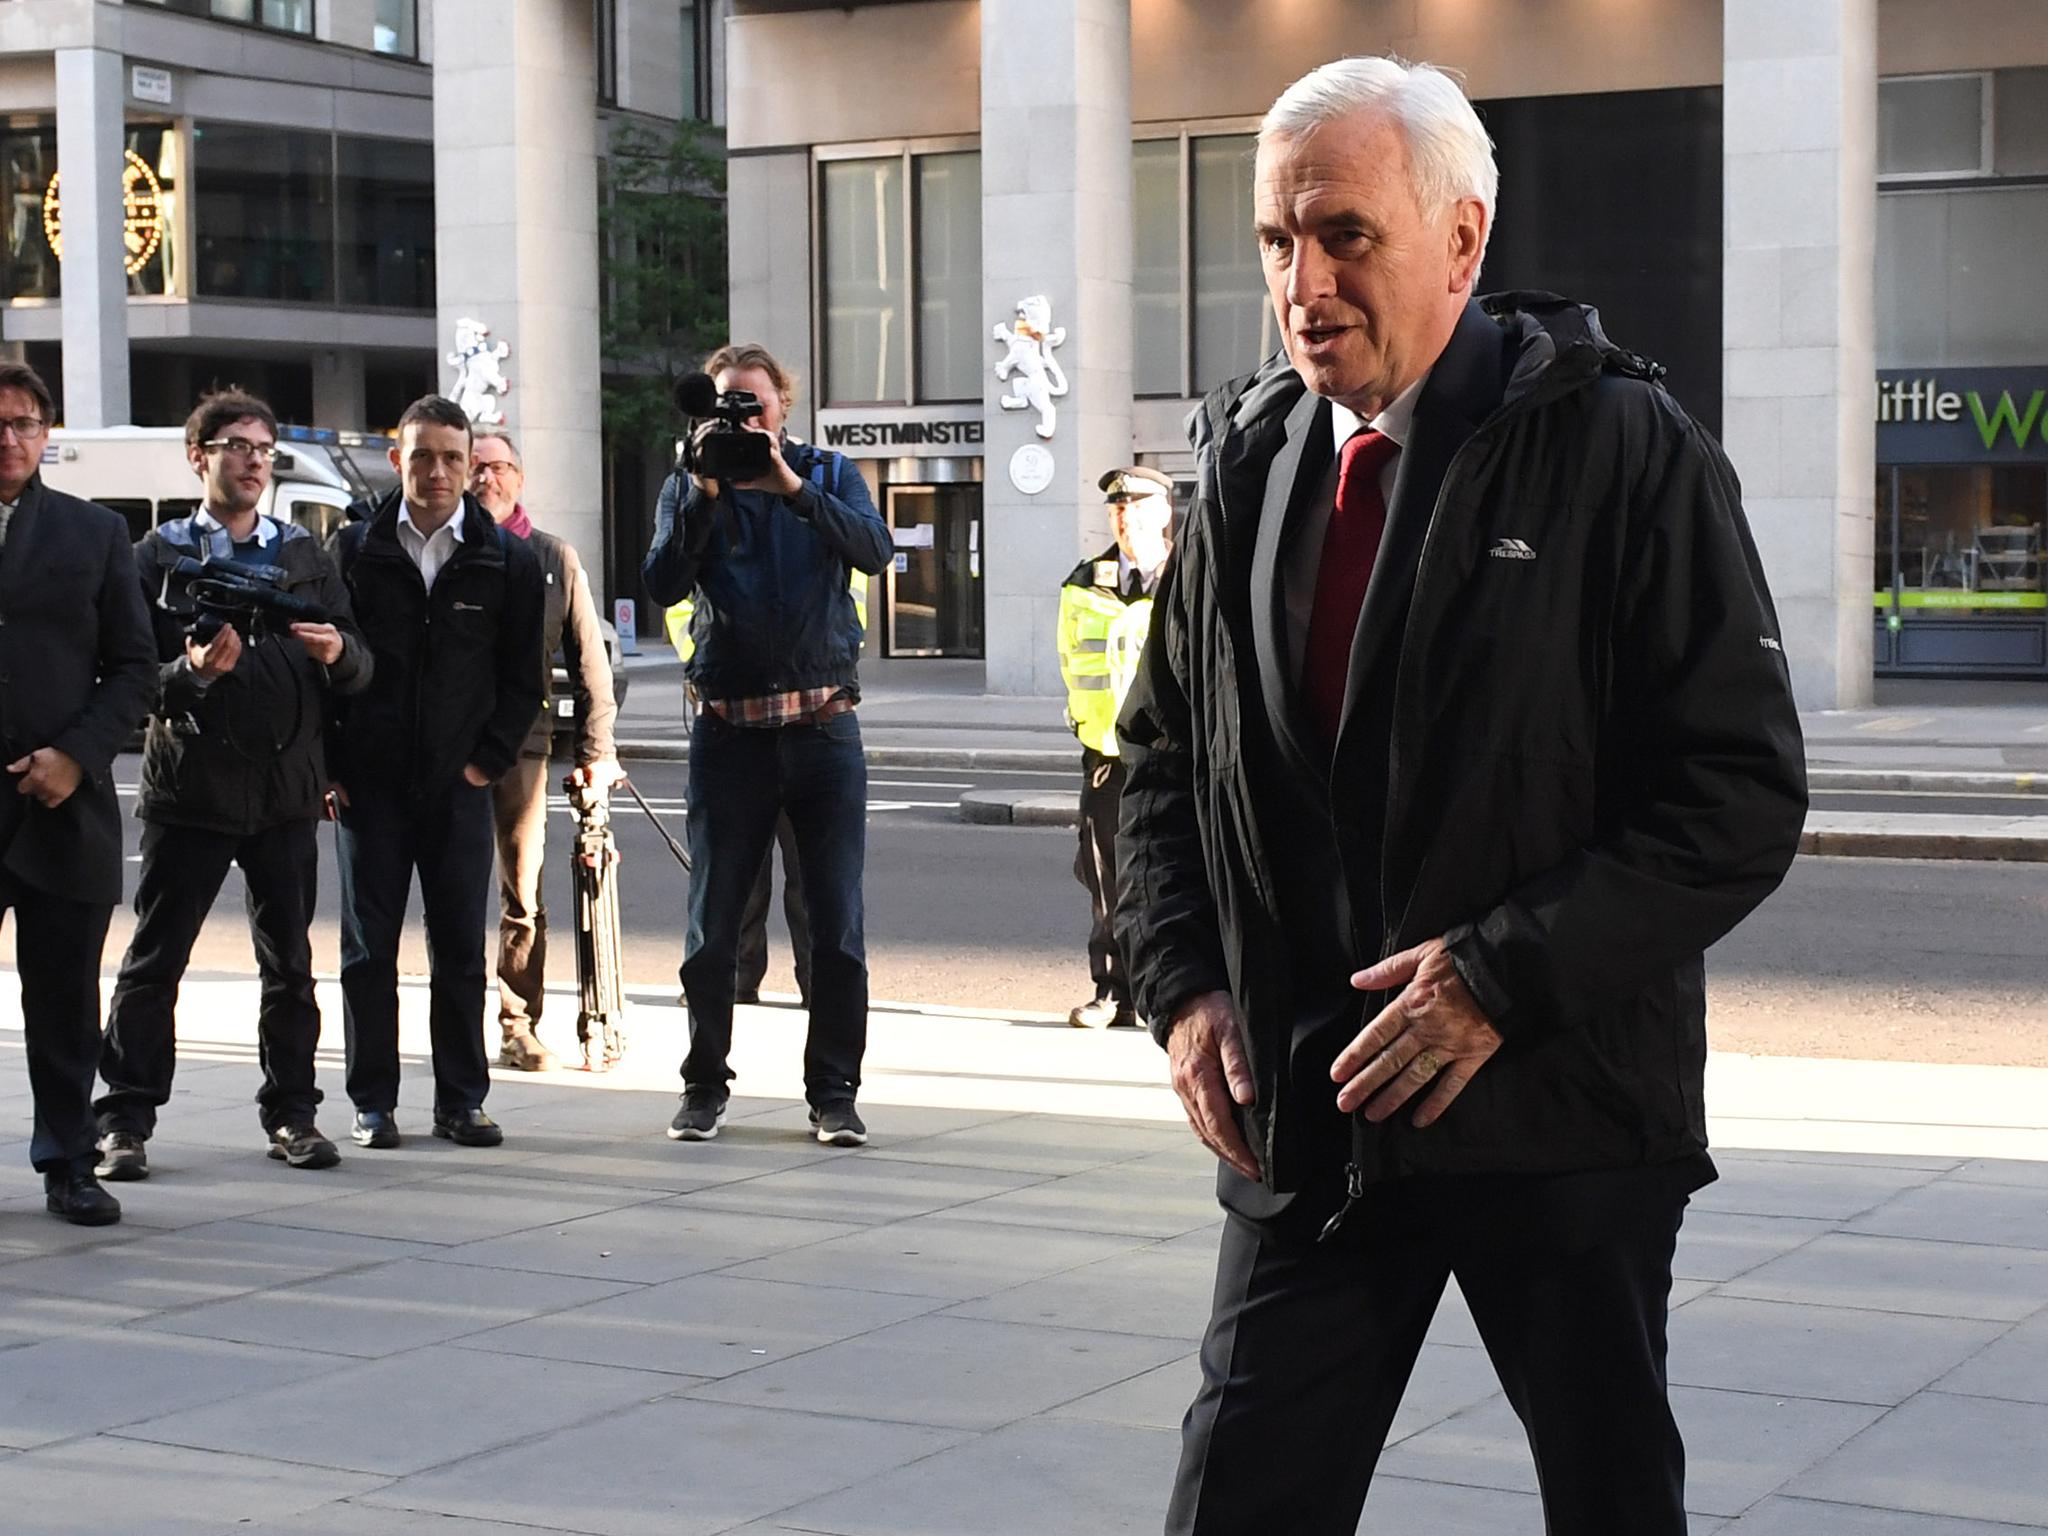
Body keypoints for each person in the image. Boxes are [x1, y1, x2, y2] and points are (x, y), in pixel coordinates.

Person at [1113, 58, 1808, 1535]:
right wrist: (1179, 986)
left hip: (1554, 1121)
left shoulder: (1624, 451)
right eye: (1275, 240)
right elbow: (1159, 760)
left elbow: (1737, 794)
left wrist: (1495, 980)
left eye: (1344, 235)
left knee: (1609, 1502)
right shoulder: (1247, 461)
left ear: (1461, 240)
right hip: (1311, 1122)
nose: (1302, 283)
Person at [94, 390, 371, 1179]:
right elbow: (125, 678)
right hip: (191, 788)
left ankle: (293, 1114)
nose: (254, 462)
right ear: (200, 457)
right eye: (238, 446)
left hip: (286, 792)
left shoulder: (305, 556)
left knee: (289, 966)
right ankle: (124, 1121)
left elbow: (361, 664)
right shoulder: (157, 557)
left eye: (264, 450)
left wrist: (336, 655)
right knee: (155, 962)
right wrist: (189, 674)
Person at [642, 342, 889, 1147]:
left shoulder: (827, 473)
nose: (740, 417)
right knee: (713, 927)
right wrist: (703, 495)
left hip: (823, 731)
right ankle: (703, 1087)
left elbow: (876, 550)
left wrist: (791, 488)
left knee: (834, 927)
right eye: (727, 404)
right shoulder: (690, 481)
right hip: (730, 736)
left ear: (783, 404)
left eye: (753, 402)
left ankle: (834, 1094)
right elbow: (662, 582)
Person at [328, 395, 544, 1150]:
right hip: (370, 789)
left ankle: (461, 1100)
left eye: (454, 457)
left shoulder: (506, 559)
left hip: (458, 789)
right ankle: (372, 1102)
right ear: (398, 460)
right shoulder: (353, 551)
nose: (439, 471)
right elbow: (324, 664)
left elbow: (523, 679)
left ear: (469, 463)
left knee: (458, 952)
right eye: (422, 455)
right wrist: (332, 767)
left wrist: (486, 765)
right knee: (368, 953)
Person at [0, 362, 156, 1224]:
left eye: (24, 423)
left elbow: (134, 669)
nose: (9, 439)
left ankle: (69, 1161)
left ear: (46, 433)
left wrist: (75, 756)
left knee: (63, 1004)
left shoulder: (94, 533)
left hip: (63, 808)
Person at [469, 426, 620, 1071]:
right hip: (445, 746)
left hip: (522, 748)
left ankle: (518, 1024)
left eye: (498, 467)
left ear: (519, 477)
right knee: (449, 894)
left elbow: (590, 663)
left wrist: (596, 750)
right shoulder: (447, 551)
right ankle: (455, 1028)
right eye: (475, 467)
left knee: (522, 896)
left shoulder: (554, 557)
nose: (486, 478)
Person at [1057, 465, 1172, 1029]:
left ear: (1164, 513)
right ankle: (1113, 992)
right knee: (1106, 878)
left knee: (1175, 877)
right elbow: (1071, 663)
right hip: (1107, 755)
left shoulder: (1188, 573)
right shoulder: (1084, 582)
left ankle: (1170, 994)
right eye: (1118, 509)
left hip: (1175, 754)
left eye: (1137, 507)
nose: (1126, 519)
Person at [663, 597, 811, 1007]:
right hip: (738, 710)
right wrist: (706, 658)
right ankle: (737, 979)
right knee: (739, 871)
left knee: (803, 873)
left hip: (801, 713)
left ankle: (805, 981)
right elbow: (678, 604)